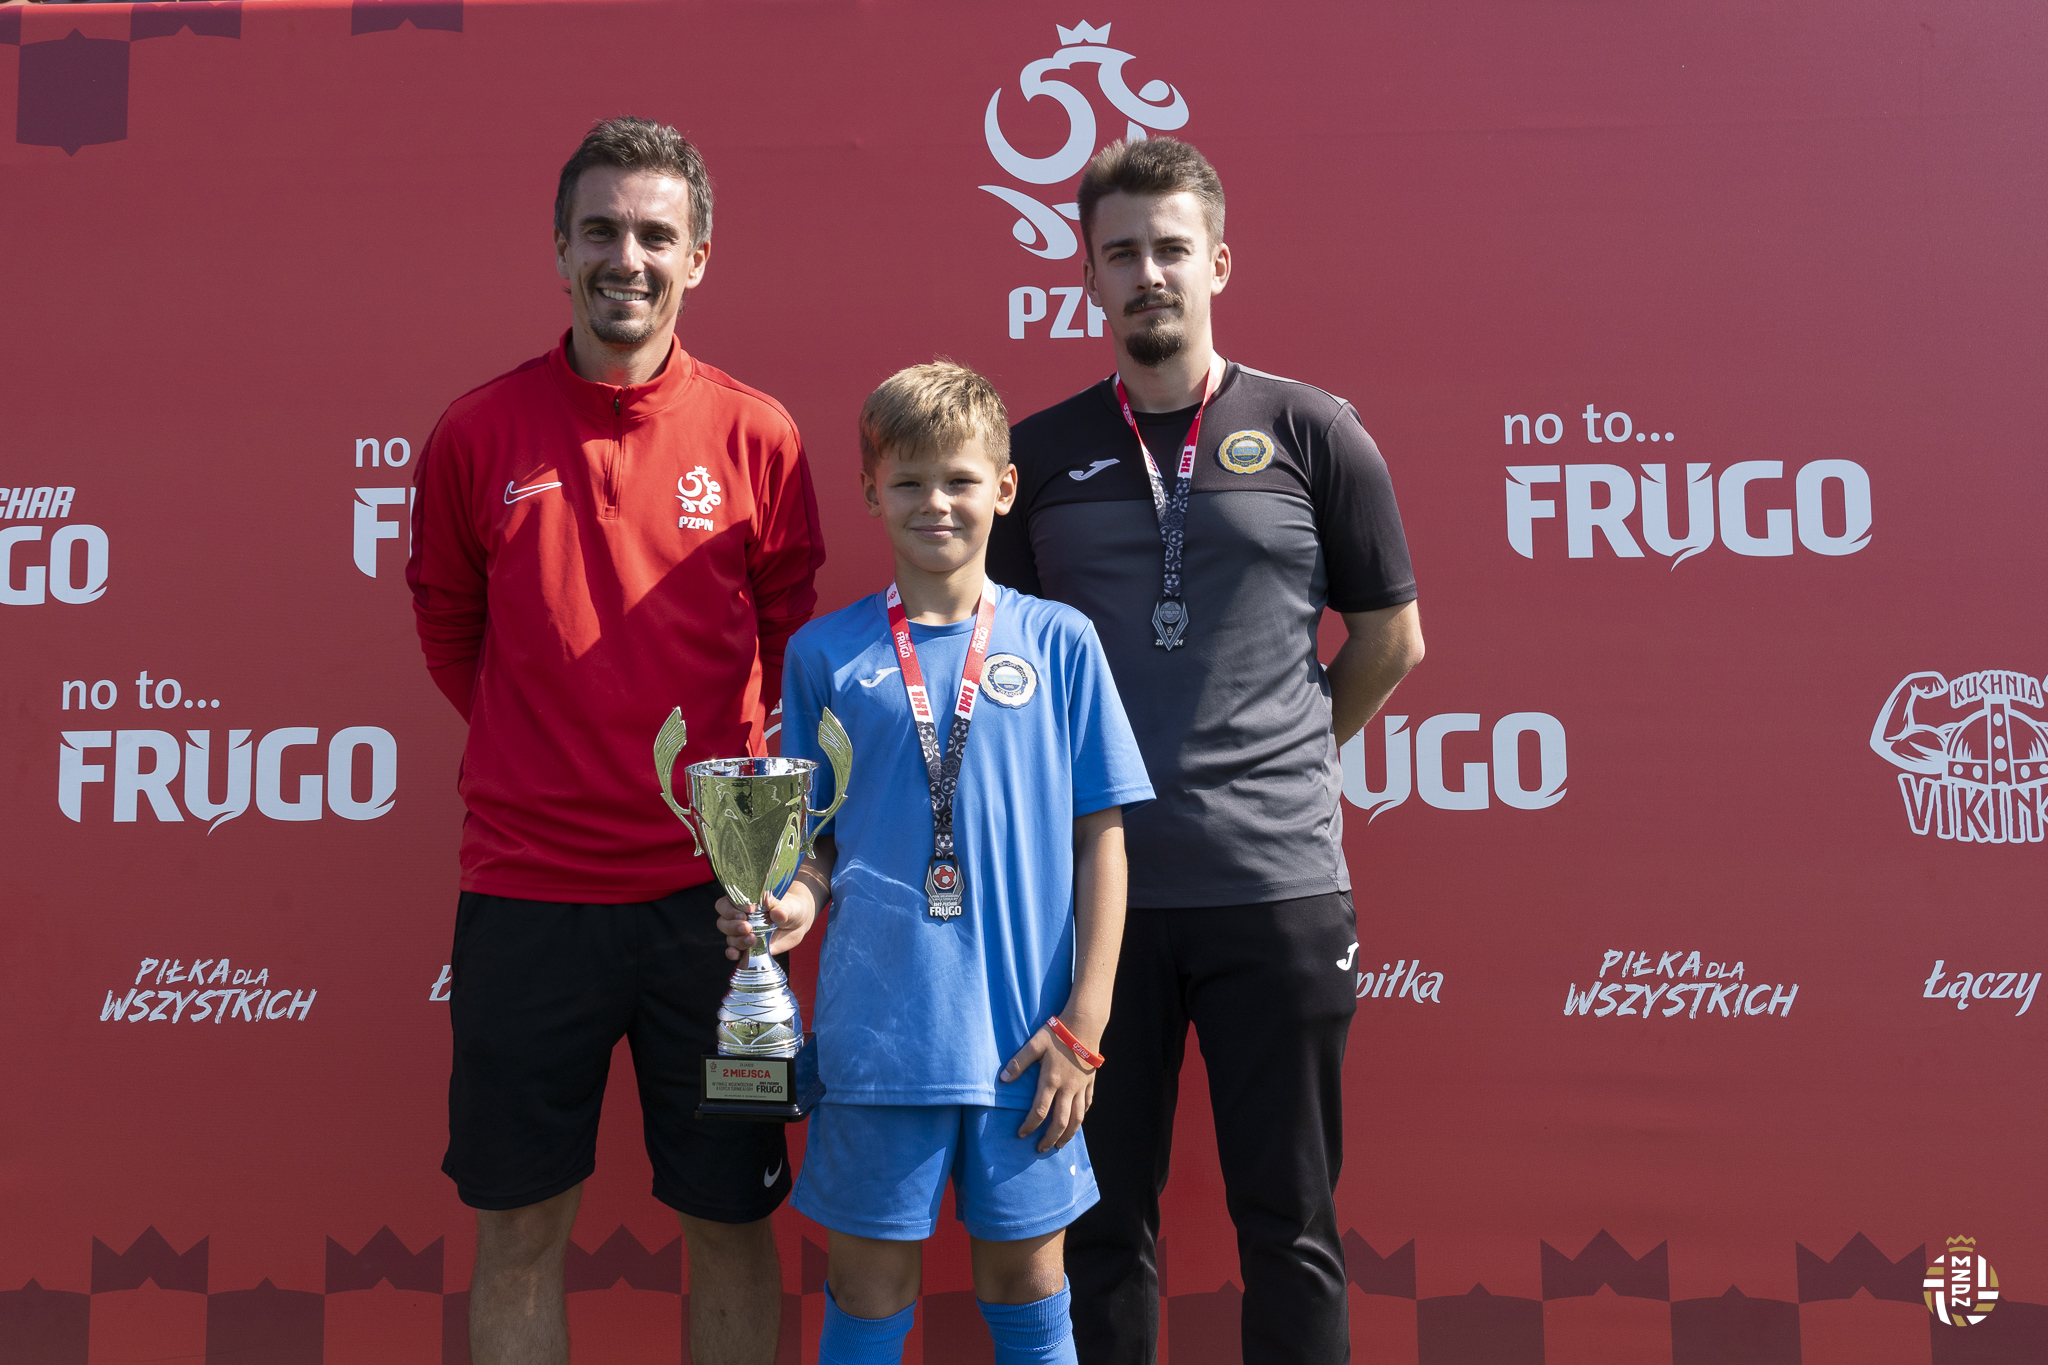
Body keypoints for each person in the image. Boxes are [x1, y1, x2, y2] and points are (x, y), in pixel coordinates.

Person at [986, 137, 1426, 1365]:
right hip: (1093, 907)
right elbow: (1000, 669)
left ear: (1217, 263)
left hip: (1272, 888)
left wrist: (1286, 754)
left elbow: (1390, 639)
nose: (1149, 274)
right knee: (1099, 1229)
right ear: (1086, 276)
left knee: (1288, 1226)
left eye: (1171, 249)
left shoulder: (1311, 429)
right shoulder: (1038, 454)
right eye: (1121, 253)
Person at [407, 117, 825, 1365]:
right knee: (519, 1229)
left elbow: (791, 653)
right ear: (559, 249)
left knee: (730, 1225)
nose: (625, 258)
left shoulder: (758, 436)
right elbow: (452, 636)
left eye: (654, 234)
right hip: (527, 897)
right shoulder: (477, 432)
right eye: (599, 231)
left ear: (698, 256)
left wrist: (750, 847)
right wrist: (549, 747)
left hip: (716, 909)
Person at [718, 362, 1153, 1365]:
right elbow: (815, 847)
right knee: (867, 1286)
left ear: (1004, 487)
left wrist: (1083, 1027)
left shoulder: (1061, 642)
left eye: (960, 479)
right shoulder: (825, 654)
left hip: (1029, 1043)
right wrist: (790, 907)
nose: (936, 503)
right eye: (908, 482)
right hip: (879, 1042)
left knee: (1030, 1282)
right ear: (871, 493)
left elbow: (1103, 841)